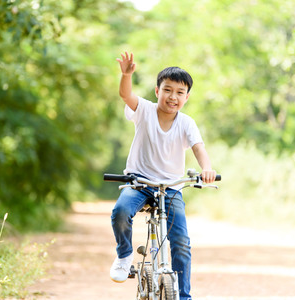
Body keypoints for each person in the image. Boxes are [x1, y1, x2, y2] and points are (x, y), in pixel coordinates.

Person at [110, 52, 217, 300]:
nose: (173, 97)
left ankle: (183, 296)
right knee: (121, 212)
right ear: (157, 91)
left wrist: (207, 168)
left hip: (171, 187)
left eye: (180, 92)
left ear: (187, 97)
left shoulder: (187, 123)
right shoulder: (145, 110)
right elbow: (126, 95)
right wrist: (126, 75)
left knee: (181, 242)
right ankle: (125, 255)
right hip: (139, 182)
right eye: (168, 90)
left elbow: (198, 148)